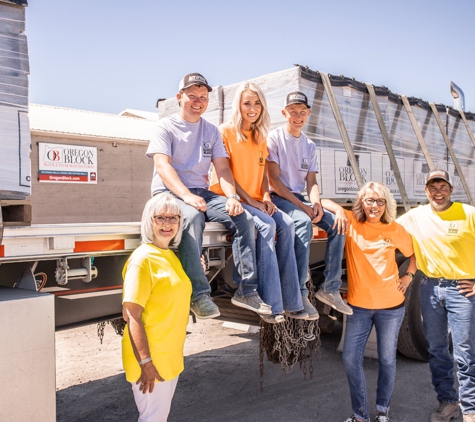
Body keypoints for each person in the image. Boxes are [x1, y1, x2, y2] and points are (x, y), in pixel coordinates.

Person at [146, 73, 271, 319]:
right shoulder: (165, 127)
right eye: (192, 96)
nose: (198, 101)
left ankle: (246, 290)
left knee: (243, 217)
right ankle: (199, 295)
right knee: (192, 218)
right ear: (179, 97)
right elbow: (163, 167)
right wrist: (185, 195)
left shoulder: (211, 131)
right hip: (169, 192)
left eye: (203, 97)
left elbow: (222, 168)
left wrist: (233, 197)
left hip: (201, 192)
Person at [209, 82, 308, 323]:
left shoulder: (261, 136)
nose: (252, 108)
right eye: (247, 103)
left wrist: (264, 198)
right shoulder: (226, 131)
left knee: (286, 224)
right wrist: (250, 202)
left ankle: (293, 301)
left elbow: (264, 175)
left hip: (254, 199)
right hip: (228, 196)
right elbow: (226, 173)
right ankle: (271, 304)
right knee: (267, 226)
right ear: (238, 106)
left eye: (257, 103)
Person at [323, 182, 416, 422]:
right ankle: (360, 415)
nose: (374, 206)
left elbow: (414, 255)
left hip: (391, 307)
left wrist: (409, 276)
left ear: (387, 205)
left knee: (387, 360)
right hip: (359, 307)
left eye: (380, 201)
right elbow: (321, 202)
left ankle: (383, 411)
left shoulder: (395, 229)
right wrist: (336, 207)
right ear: (361, 203)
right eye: (369, 200)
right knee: (351, 359)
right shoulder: (352, 222)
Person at [397, 169, 475, 422]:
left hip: (461, 291)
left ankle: (470, 410)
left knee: (464, 353)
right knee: (438, 350)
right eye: (432, 187)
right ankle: (448, 402)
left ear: (451, 190)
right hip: (429, 289)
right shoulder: (416, 216)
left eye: (442, 187)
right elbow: (384, 228)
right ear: (426, 191)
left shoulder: (468, 214)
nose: (437, 192)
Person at [266, 91, 352, 318]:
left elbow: (311, 181)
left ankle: (330, 288)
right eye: (293, 111)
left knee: (335, 224)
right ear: (284, 113)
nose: (298, 116)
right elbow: (273, 180)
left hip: (299, 197)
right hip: (277, 197)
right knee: (303, 222)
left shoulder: (309, 145)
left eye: (302, 112)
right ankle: (300, 292)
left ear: (308, 114)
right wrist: (304, 208)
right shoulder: (274, 138)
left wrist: (315, 204)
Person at [121, 193, 191, 422]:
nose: (167, 224)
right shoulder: (142, 259)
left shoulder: (170, 255)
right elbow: (131, 316)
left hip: (169, 355)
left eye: (173, 218)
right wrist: (146, 363)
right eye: (160, 217)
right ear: (149, 221)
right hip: (151, 359)